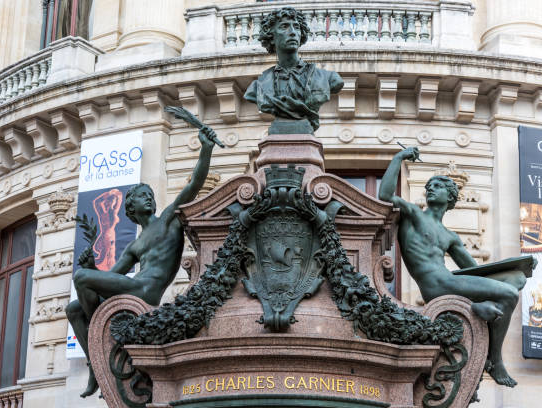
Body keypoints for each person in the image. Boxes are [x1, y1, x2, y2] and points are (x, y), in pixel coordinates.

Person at [65, 126, 218, 397]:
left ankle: (100, 338)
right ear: (131, 210)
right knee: (74, 308)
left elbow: (194, 184)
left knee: (81, 278)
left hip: (147, 291)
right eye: (141, 197)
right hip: (132, 286)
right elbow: (109, 278)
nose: (148, 198)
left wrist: (205, 149)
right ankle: (95, 362)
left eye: (149, 195)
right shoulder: (135, 245)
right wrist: (91, 267)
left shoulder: (169, 218)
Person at [378, 146, 534, 388]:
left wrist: (516, 268)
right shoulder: (414, 215)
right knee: (509, 293)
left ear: (451, 197)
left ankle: (478, 309)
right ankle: (494, 358)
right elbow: (385, 195)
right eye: (429, 186)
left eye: (438, 186)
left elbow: (475, 272)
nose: (430, 188)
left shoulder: (450, 236)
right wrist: (399, 158)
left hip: (449, 282)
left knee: (514, 281)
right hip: (437, 285)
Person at [244, 7, 343, 133]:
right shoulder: (258, 86)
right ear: (271, 36)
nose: (292, 32)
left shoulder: (327, 78)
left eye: (296, 27)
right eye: (284, 26)